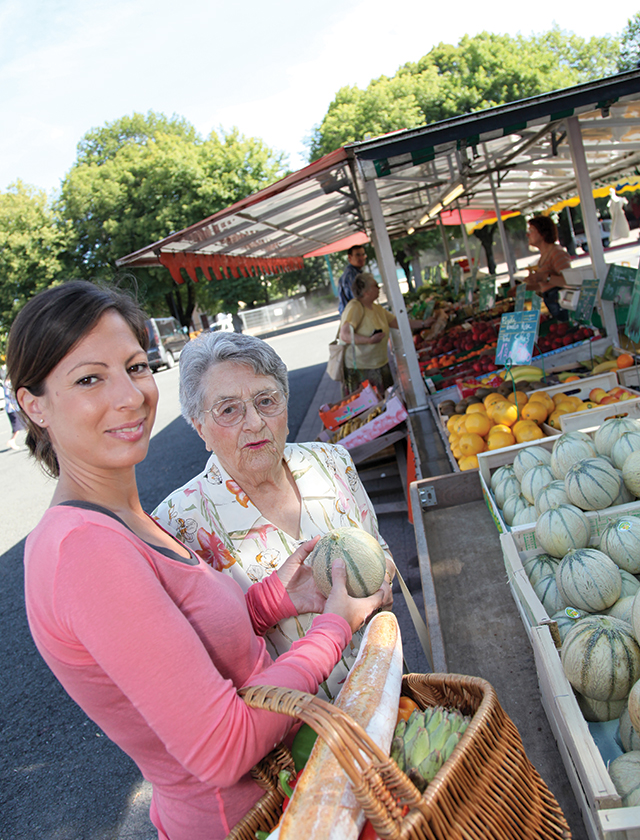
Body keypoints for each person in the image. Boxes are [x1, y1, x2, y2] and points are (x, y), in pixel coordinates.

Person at [9, 281, 388, 840]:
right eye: (89, 378)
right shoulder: (82, 549)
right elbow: (222, 748)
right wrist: (334, 626)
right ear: (33, 404)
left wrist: (269, 601)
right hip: (244, 821)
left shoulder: (122, 518)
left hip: (295, 792)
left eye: (135, 367)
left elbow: (185, 640)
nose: (130, 395)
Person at [153, 330, 395, 701]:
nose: (254, 422)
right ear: (200, 427)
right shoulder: (176, 524)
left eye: (267, 400)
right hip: (291, 731)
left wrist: (382, 581)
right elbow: (196, 660)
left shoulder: (331, 462)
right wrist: (264, 610)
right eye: (229, 409)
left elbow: (377, 547)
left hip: (389, 687)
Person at [339, 272, 429, 397]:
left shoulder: (376, 308)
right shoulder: (355, 307)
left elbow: (398, 323)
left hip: (380, 365)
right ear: (366, 291)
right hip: (362, 370)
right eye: (375, 285)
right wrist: (369, 340)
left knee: (386, 402)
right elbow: (345, 335)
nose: (379, 288)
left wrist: (424, 323)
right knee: (369, 407)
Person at [524, 215, 571, 321]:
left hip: (562, 306)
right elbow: (545, 285)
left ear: (543, 233)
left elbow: (569, 282)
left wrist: (545, 277)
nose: (528, 235)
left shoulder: (556, 253)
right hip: (553, 305)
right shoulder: (543, 256)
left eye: (531, 231)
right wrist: (526, 287)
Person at [338, 244, 367, 314]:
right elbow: (358, 298)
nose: (361, 258)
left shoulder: (355, 273)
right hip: (355, 315)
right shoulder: (351, 275)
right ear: (350, 257)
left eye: (363, 254)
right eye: (357, 255)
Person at [3, 375, 26, 450]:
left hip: (12, 408)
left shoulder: (6, 383)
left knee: (25, 424)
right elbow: (12, 395)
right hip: (13, 408)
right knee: (17, 427)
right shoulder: (9, 383)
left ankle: (33, 438)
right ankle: (12, 440)